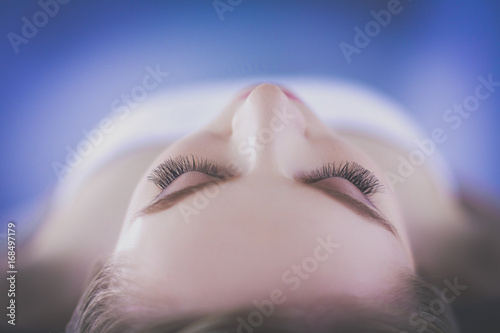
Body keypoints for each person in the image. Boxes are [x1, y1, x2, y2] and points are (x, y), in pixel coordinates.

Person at [13, 80, 500, 332]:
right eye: (346, 184)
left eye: (185, 178)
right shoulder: (475, 253)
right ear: (426, 271)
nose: (265, 103)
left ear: (95, 278)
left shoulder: (29, 277)